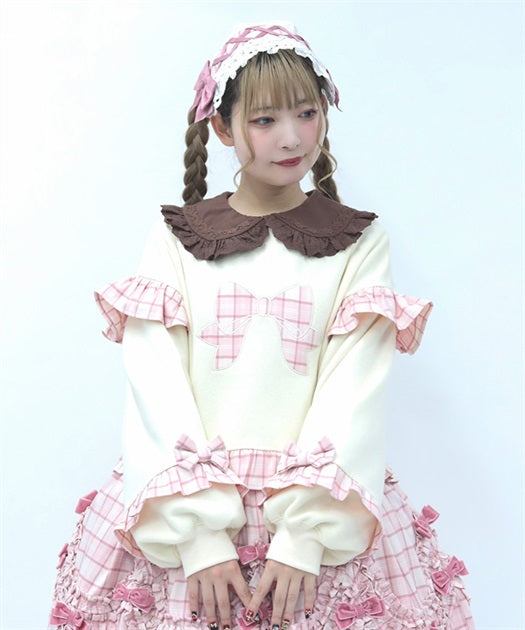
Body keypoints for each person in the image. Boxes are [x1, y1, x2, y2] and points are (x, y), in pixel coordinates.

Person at [49, 22, 475, 630]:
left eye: (307, 113)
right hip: (190, 518)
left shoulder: (358, 242)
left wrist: (304, 536)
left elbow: (354, 385)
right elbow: (154, 380)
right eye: (265, 119)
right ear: (223, 128)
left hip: (316, 520)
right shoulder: (175, 240)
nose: (292, 137)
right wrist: (199, 537)